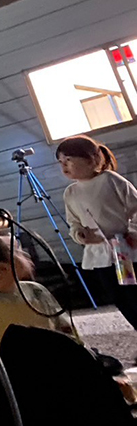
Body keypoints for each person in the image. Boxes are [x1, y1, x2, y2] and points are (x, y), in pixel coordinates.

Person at [60, 135, 137, 330]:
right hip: (100, 255)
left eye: (68, 160)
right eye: (60, 162)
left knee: (133, 293)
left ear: (92, 158)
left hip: (124, 250)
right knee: (118, 297)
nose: (64, 166)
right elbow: (73, 222)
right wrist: (80, 235)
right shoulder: (71, 193)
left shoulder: (111, 180)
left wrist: (133, 233)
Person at [0, 233, 77, 346]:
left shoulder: (36, 290)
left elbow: (65, 327)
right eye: (17, 251)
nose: (26, 254)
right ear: (2, 268)